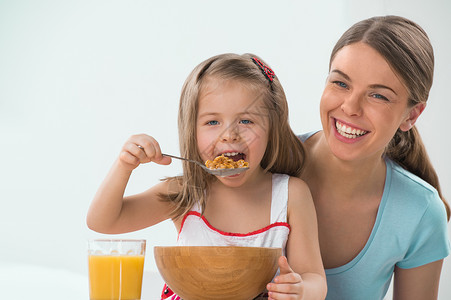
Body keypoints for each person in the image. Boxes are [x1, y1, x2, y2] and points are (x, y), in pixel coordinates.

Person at [87, 53, 327, 299]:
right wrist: (124, 166)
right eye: (212, 122)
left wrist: (301, 290)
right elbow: (103, 221)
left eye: (246, 120)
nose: (229, 135)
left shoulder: (290, 195)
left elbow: (314, 279)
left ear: (272, 128)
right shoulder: (186, 191)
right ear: (192, 130)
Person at [297, 15, 450, 300]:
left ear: (411, 115)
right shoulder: (266, 163)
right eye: (341, 83)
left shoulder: (420, 212)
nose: (350, 107)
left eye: (378, 96)